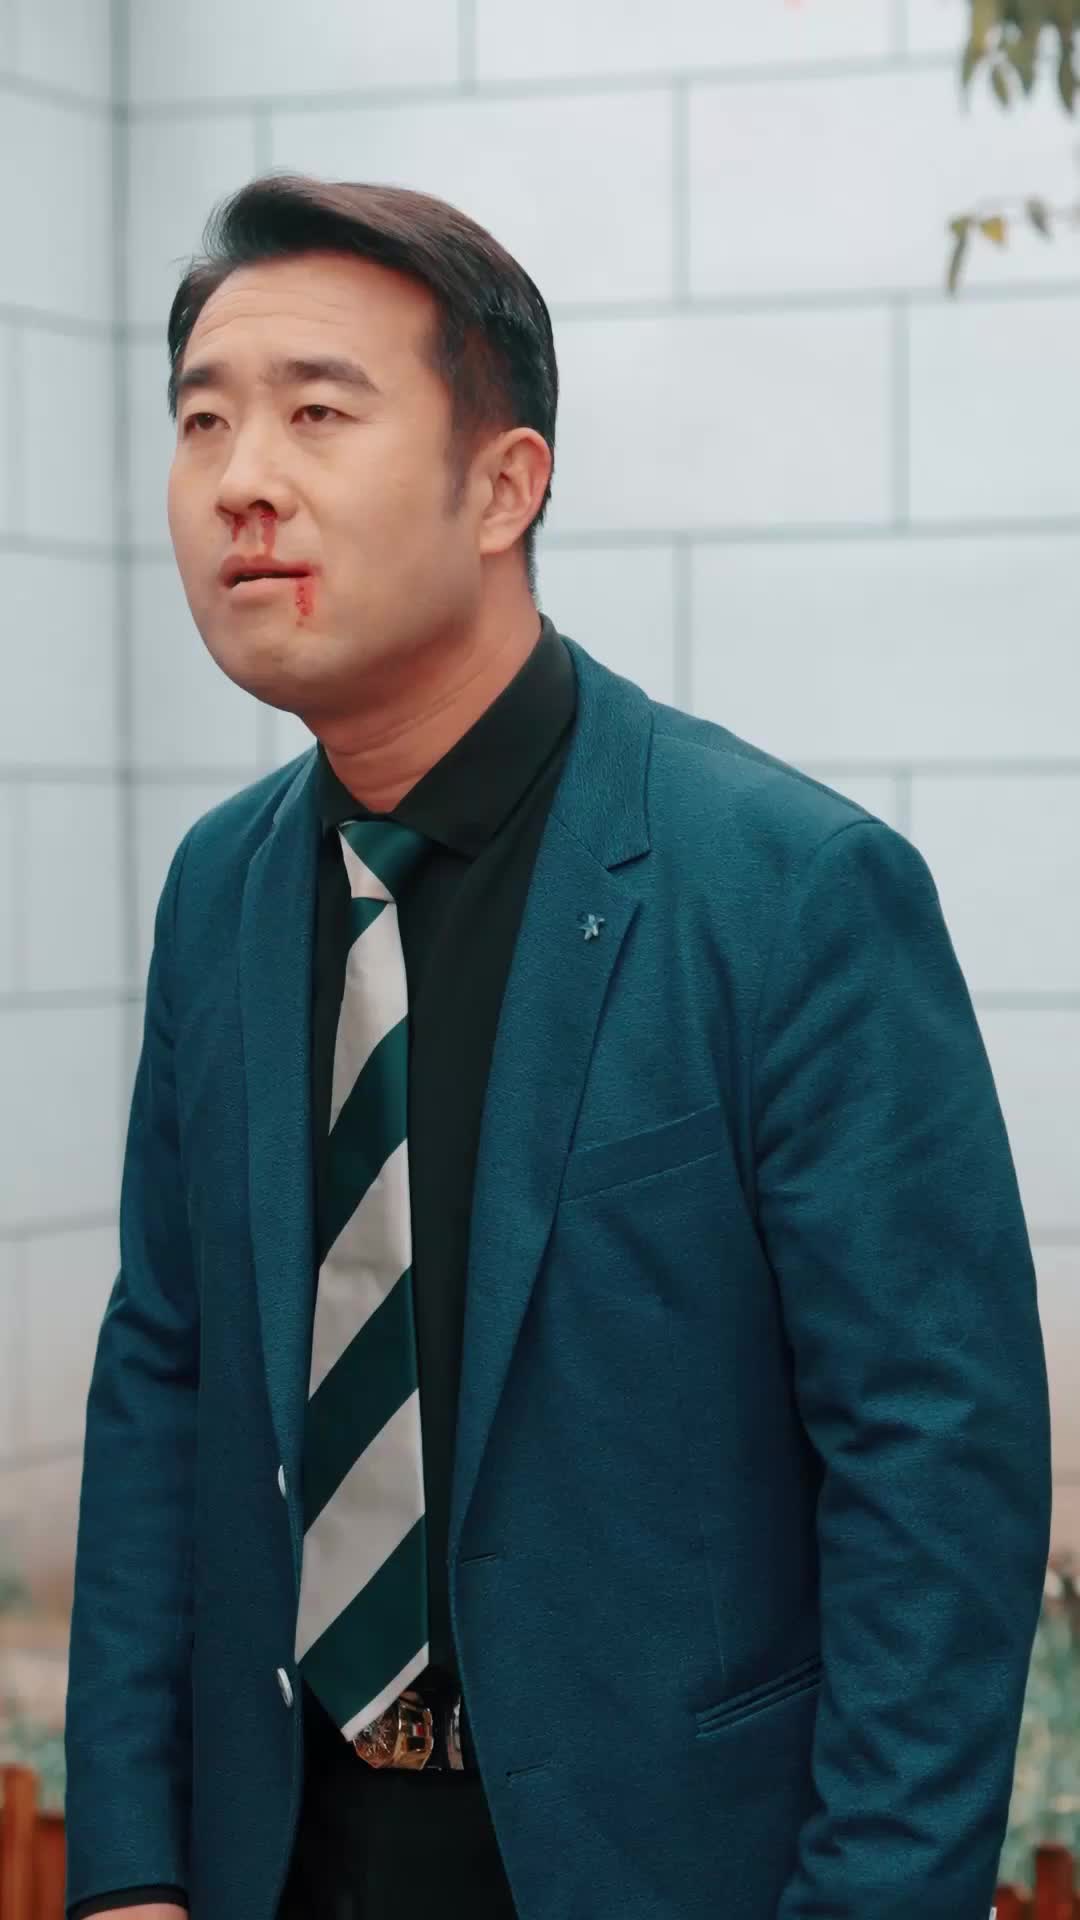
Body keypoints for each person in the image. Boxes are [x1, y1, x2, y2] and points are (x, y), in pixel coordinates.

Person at [62, 171, 1052, 1920]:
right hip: (277, 1858)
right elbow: (164, 1380)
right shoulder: (221, 890)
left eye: (316, 413)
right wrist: (128, 1866)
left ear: (506, 485)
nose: (240, 482)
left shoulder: (789, 891)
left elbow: (936, 1467)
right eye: (202, 420)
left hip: (660, 1863)